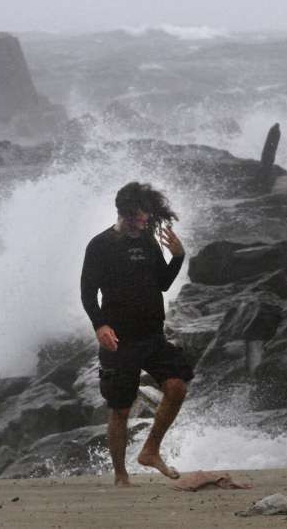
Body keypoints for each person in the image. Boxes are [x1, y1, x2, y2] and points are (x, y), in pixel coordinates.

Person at [80, 181, 194, 487]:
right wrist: (99, 325)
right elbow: (88, 293)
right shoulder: (100, 245)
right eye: (135, 218)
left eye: (144, 217)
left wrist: (179, 257)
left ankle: (150, 451)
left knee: (177, 388)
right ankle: (120, 476)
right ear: (123, 213)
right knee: (120, 409)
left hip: (152, 337)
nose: (140, 223)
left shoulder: (147, 242)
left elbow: (163, 284)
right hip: (119, 342)